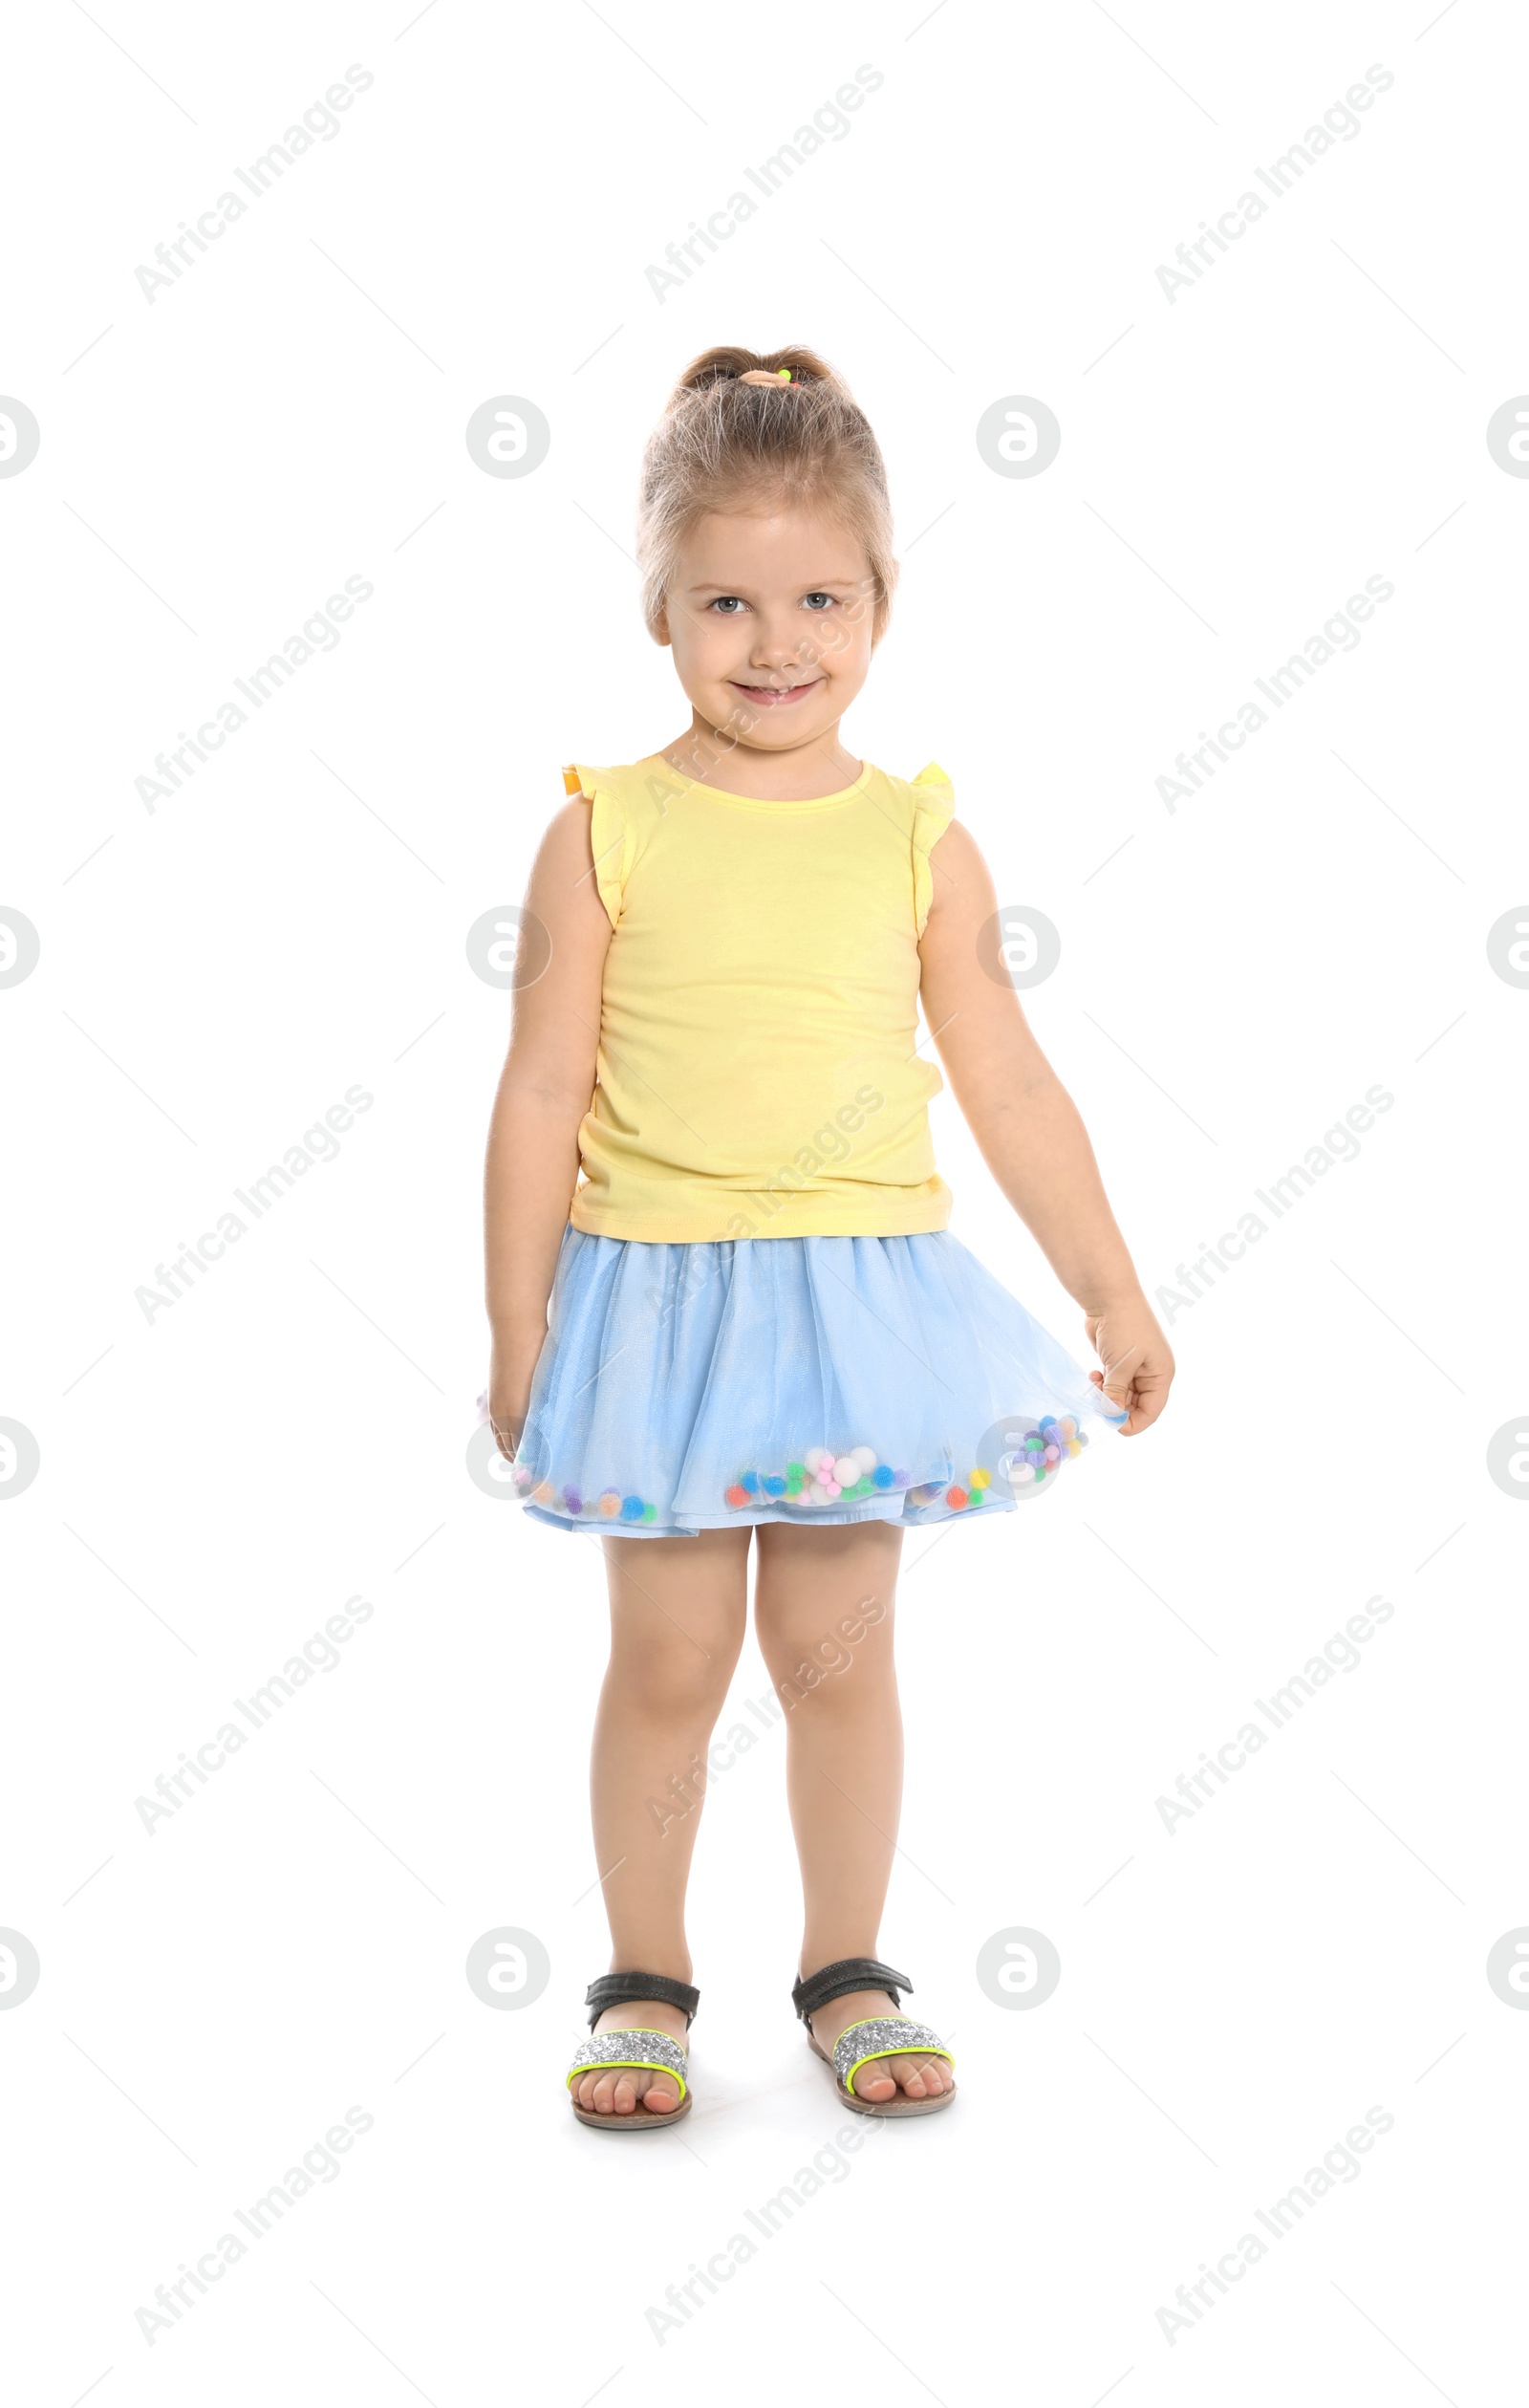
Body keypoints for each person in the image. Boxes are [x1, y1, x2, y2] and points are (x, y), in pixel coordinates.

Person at [482, 344, 1174, 2130]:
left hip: (861, 1308)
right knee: (669, 1660)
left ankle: (847, 1964)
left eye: (819, 597)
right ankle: (642, 1978)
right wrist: (516, 1325)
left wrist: (1109, 1284)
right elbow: (539, 1096)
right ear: (658, 606)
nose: (775, 640)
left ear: (880, 603)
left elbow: (1009, 1084)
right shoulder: (602, 833)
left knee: (839, 1656)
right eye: (726, 599)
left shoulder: (916, 840)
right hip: (658, 1308)